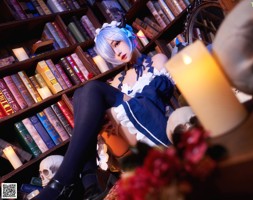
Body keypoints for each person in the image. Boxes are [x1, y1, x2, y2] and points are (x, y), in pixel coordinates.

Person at [32, 21, 174, 200]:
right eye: (111, 52)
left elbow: (158, 95)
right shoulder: (117, 81)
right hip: (127, 140)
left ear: (127, 35)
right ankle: (88, 185)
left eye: (117, 44)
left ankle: (67, 181)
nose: (117, 52)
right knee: (79, 94)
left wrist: (113, 113)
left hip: (154, 122)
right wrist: (106, 118)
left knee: (92, 88)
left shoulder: (156, 60)